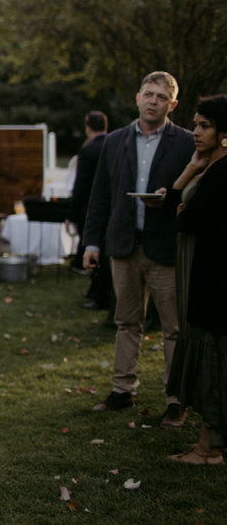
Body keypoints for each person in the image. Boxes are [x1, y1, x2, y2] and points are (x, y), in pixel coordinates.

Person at [82, 71, 193, 425]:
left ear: (172, 105)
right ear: (137, 97)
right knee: (126, 321)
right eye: (148, 94)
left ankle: (176, 399)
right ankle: (122, 391)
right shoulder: (114, 141)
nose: (153, 101)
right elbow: (99, 196)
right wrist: (91, 242)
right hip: (123, 245)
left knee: (174, 328)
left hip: (166, 247)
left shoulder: (187, 143)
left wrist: (173, 197)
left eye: (161, 97)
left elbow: (199, 193)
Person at [160, 95, 227, 464]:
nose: (197, 132)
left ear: (224, 132)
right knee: (209, 356)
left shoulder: (223, 172)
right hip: (199, 270)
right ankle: (207, 443)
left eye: (205, 125)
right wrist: (190, 169)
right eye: (196, 124)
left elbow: (188, 218)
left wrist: (186, 210)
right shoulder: (209, 167)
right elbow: (173, 207)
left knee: (213, 360)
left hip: (212, 276)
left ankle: (209, 448)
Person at [66, 111, 113, 311]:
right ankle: (96, 291)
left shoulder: (88, 150)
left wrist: (72, 213)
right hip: (112, 208)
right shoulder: (112, 144)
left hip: (91, 209)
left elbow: (81, 185)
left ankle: (100, 297)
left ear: (87, 127)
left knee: (94, 252)